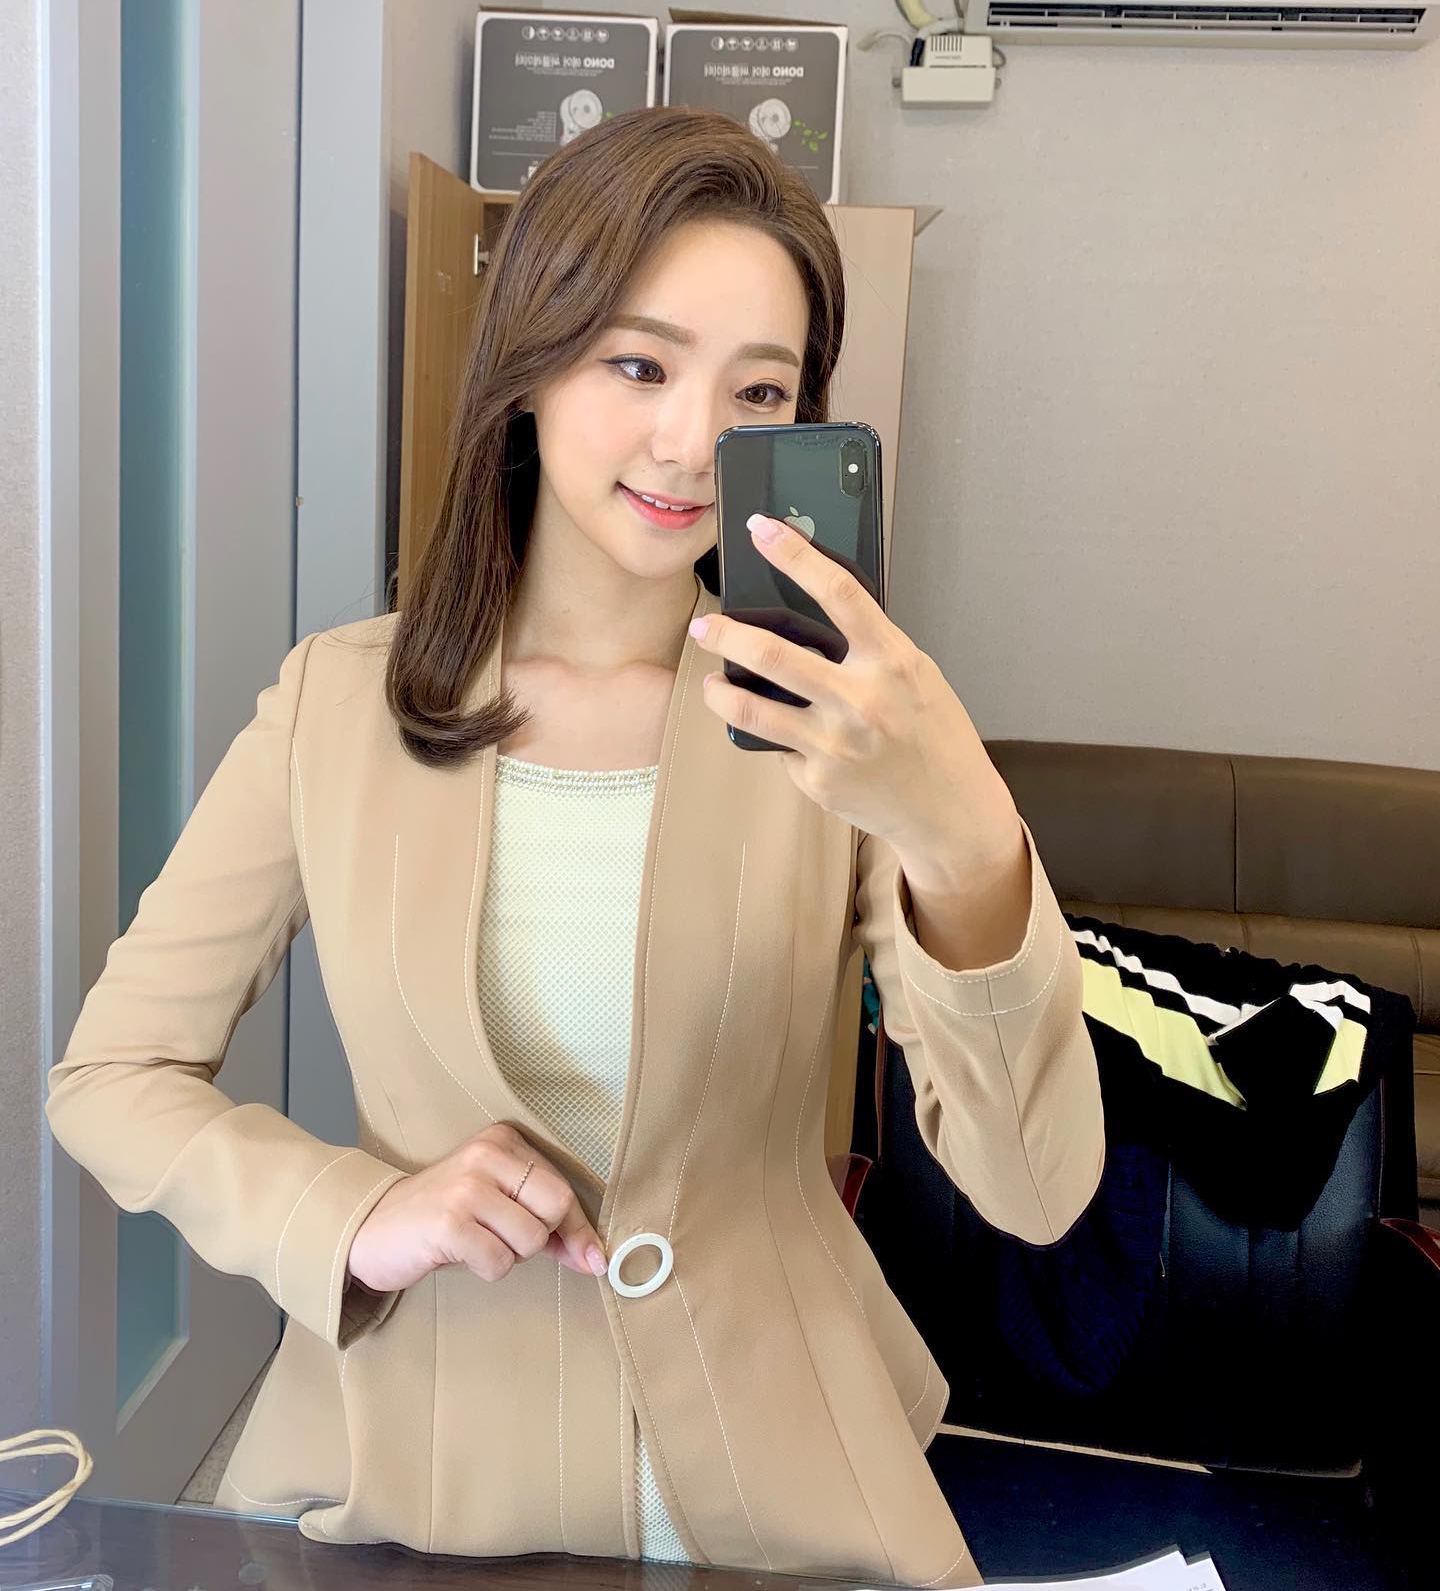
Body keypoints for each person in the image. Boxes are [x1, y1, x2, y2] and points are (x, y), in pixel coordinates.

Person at [45, 106, 1105, 1585]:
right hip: (422, 1482)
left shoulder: (841, 731)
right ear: (530, 366)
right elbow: (109, 1079)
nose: (693, 441)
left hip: (788, 1495)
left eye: (758, 389)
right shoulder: (337, 707)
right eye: (639, 364)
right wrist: (355, 1214)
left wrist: (966, 834)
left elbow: (1036, 1192)